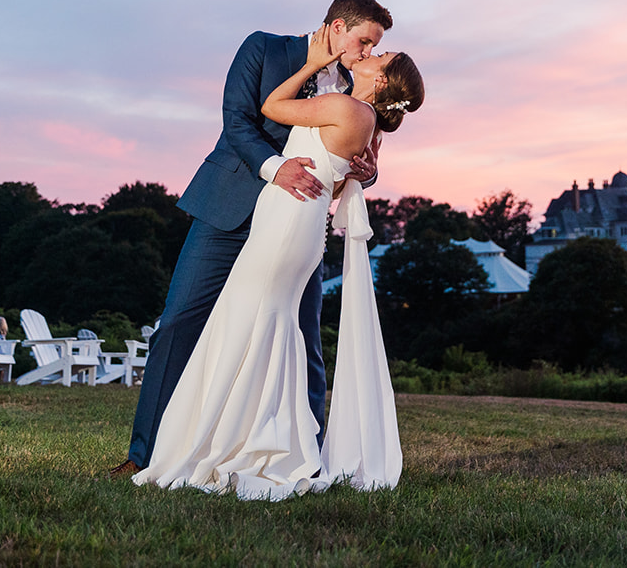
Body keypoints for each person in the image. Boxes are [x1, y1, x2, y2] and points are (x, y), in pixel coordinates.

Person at [133, 24, 423, 497]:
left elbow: (350, 159)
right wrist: (276, 167)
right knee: (182, 322)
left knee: (301, 339)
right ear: (337, 28)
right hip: (235, 204)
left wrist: (367, 173)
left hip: (293, 219)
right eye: (365, 41)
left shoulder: (353, 96)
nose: (368, 51)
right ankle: (146, 453)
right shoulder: (266, 48)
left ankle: (299, 449)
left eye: (375, 50)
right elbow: (239, 120)